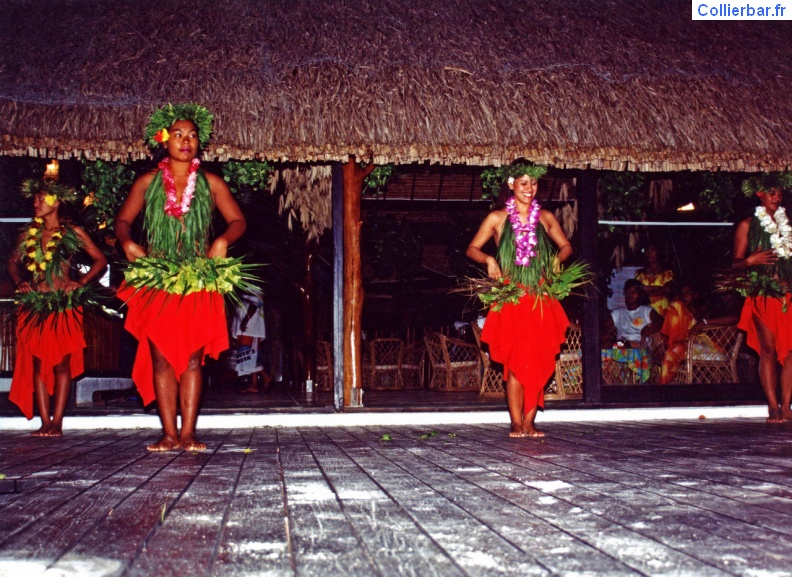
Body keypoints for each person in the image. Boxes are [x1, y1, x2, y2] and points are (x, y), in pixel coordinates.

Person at [115, 104, 246, 451]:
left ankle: (187, 432)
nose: (185, 141)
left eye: (192, 135)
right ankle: (168, 433)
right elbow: (122, 221)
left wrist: (221, 241)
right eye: (178, 134)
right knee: (160, 358)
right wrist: (127, 242)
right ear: (164, 140)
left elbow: (238, 221)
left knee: (191, 357)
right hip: (159, 278)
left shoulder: (210, 183)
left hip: (198, 278)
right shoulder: (147, 182)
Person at [466, 163, 573, 438]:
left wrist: (554, 261)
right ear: (511, 184)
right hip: (512, 297)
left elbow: (566, 246)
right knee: (515, 362)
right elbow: (472, 249)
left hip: (539, 297)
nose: (529, 189)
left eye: (534, 184)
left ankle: (529, 422)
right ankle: (516, 422)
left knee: (538, 359)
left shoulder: (545, 217)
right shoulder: (497, 218)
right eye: (524, 183)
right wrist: (489, 259)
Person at [7, 179, 107, 435]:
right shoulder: (30, 233)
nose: (35, 203)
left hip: (63, 305)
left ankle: (57, 422)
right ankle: (44, 422)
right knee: (39, 364)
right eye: (35, 199)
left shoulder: (71, 231)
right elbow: (12, 263)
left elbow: (100, 260)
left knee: (62, 364)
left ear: (57, 201)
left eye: (41, 198)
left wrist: (81, 281)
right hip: (36, 306)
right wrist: (20, 282)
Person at [733, 173, 792, 423]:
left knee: (790, 353)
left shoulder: (788, 224)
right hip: (762, 296)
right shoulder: (748, 224)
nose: (777, 196)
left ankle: (787, 406)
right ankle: (772, 406)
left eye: (779, 192)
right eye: (771, 192)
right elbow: (735, 263)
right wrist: (750, 260)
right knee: (767, 351)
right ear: (759, 194)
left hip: (788, 296)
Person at [231, 291, 271, 393]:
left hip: (250, 328)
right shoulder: (246, 289)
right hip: (248, 328)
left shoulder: (252, 288)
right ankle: (254, 385)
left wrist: (245, 321)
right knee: (251, 356)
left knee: (248, 355)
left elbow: (253, 305)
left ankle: (265, 376)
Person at [606, 279, 662, 348]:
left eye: (634, 291)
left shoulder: (646, 311)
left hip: (640, 349)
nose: (630, 294)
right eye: (628, 291)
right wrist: (605, 337)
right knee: (611, 344)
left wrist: (648, 328)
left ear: (640, 294)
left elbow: (661, 321)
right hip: (620, 346)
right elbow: (603, 325)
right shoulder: (618, 313)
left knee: (621, 345)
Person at [635, 243, 674, 317]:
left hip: (662, 309)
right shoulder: (640, 273)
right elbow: (637, 290)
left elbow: (668, 289)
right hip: (645, 309)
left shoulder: (666, 272)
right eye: (647, 250)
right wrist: (659, 289)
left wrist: (647, 289)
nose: (649, 253)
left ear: (658, 252)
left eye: (652, 250)